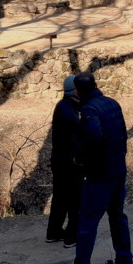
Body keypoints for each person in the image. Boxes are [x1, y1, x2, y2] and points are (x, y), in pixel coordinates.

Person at [58, 72, 133, 264]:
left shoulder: (89, 110)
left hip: (100, 174)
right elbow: (123, 134)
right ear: (96, 85)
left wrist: (81, 158)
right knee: (117, 215)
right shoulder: (112, 103)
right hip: (118, 169)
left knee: (87, 221)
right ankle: (125, 261)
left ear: (78, 92)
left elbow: (94, 137)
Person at [45, 75, 82, 246]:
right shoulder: (69, 112)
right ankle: (72, 237)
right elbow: (73, 140)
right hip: (70, 162)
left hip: (60, 160)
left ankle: (53, 232)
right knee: (75, 199)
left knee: (60, 198)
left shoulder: (64, 105)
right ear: (75, 91)